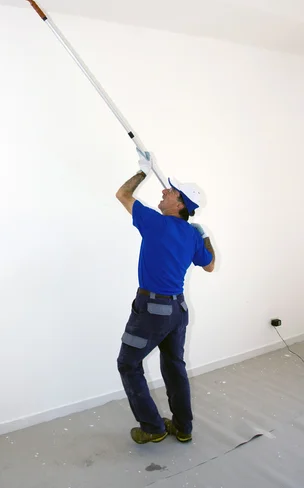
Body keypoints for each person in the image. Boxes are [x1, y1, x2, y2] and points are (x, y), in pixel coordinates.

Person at [116, 149, 215, 445]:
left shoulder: (156, 223)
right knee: (174, 366)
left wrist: (143, 171)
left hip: (152, 311)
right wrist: (203, 235)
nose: (164, 191)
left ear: (180, 203)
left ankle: (153, 427)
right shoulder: (191, 234)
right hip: (177, 311)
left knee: (128, 364)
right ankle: (183, 427)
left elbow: (122, 194)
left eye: (171, 191)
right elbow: (209, 265)